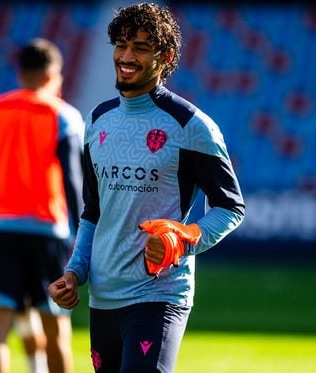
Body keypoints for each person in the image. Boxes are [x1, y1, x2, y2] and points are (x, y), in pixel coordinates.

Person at [48, 3, 246, 372]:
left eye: (140, 47)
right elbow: (94, 210)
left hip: (160, 292)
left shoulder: (192, 126)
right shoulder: (97, 119)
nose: (125, 56)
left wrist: (183, 237)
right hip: (103, 296)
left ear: (165, 56)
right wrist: (75, 272)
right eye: (121, 45)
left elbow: (231, 206)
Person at [0, 38, 84, 373]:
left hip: (0, 230)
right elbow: (72, 179)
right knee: (57, 330)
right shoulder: (63, 115)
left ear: (20, 73)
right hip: (49, 233)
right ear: (53, 75)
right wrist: (81, 234)